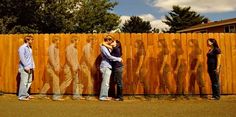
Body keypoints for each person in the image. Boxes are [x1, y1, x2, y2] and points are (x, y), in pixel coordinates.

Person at [40, 36, 63, 101]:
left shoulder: (56, 48)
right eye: (59, 40)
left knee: (48, 82)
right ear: (56, 40)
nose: (59, 42)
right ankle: (56, 97)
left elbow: (56, 58)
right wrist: (55, 67)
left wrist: (60, 64)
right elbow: (51, 58)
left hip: (53, 67)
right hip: (51, 68)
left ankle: (42, 95)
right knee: (56, 81)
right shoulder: (51, 47)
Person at [99, 35, 122, 101]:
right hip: (105, 66)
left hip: (108, 66)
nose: (112, 41)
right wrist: (118, 59)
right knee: (105, 82)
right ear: (108, 40)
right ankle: (103, 97)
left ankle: (105, 96)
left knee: (106, 82)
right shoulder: (103, 47)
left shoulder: (105, 46)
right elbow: (108, 56)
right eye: (111, 40)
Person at [18, 36, 35, 101]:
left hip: (30, 67)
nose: (32, 41)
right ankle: (21, 96)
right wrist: (25, 66)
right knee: (24, 82)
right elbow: (22, 58)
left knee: (29, 81)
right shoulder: (22, 48)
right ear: (27, 40)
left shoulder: (29, 48)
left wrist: (33, 66)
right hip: (24, 68)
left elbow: (31, 58)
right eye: (31, 40)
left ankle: (26, 94)